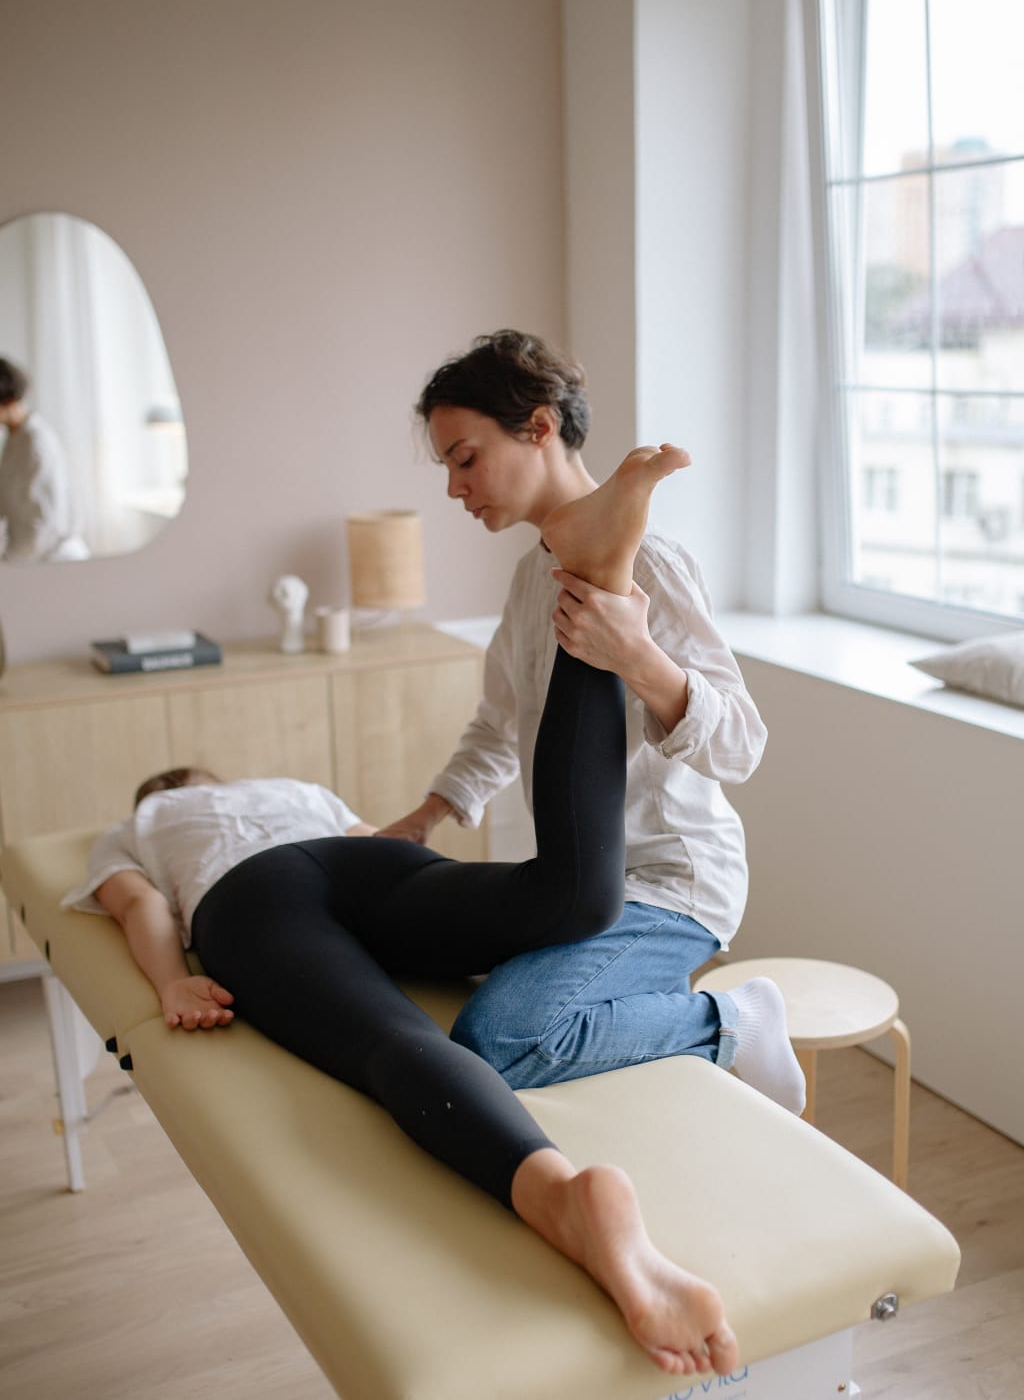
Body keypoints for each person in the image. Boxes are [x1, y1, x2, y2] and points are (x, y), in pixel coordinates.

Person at [65, 450, 740, 1382]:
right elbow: (373, 842)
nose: (457, 482)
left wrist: (174, 980)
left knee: (391, 1042)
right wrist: (428, 866)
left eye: (465, 458)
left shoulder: (144, 823)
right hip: (363, 864)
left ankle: (562, 1199)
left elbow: (139, 903)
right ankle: (600, 573)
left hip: (252, 900)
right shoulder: (290, 789)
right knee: (558, 891)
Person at [379, 330, 805, 1117]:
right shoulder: (527, 581)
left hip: (671, 885)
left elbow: (742, 744)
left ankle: (734, 1020)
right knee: (399, 949)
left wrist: (639, 658)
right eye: (446, 468)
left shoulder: (652, 564)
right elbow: (498, 721)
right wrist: (427, 814)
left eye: (465, 458)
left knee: (498, 1039)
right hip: (573, 887)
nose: (454, 488)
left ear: (539, 426)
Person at [0, 356, 90, 562]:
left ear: (8, 400)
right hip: (27, 555)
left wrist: (9, 562)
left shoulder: (36, 442)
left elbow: (45, 524)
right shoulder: (14, 438)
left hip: (52, 560)